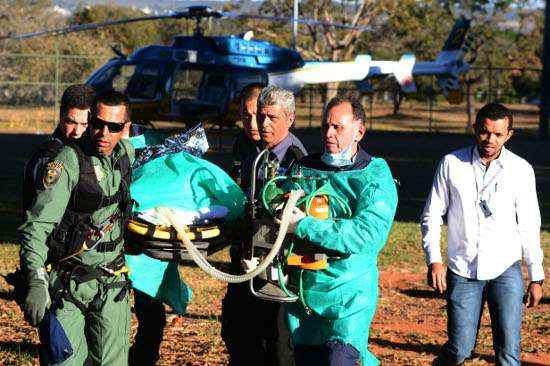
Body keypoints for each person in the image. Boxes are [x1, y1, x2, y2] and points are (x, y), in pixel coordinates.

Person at [420, 103, 545, 366]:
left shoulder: (521, 170)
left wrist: (536, 276)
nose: (491, 139)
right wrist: (434, 259)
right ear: (475, 129)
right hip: (463, 269)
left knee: (509, 353)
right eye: (485, 132)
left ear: (509, 135)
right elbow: (432, 214)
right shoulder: (452, 163)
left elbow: (530, 225)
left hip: (505, 269)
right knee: (459, 350)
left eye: (498, 134)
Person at [19, 90, 135, 365]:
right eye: (98, 124)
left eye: (115, 127)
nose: (104, 133)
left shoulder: (125, 156)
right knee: (66, 360)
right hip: (68, 286)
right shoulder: (67, 161)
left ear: (125, 129)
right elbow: (36, 226)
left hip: (112, 284)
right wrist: (36, 280)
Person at [282, 96, 398, 366]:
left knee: (340, 357)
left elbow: (367, 233)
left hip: (349, 293)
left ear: (359, 132)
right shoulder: (304, 170)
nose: (329, 134)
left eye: (338, 127)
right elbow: (277, 208)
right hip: (305, 292)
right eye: (325, 127)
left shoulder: (374, 175)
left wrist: (304, 225)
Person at [221, 85, 306, 366]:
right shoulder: (253, 155)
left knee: (278, 346)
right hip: (246, 264)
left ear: (289, 119)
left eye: (272, 117)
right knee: (237, 336)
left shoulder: (297, 160)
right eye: (261, 116)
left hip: (278, 270)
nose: (263, 123)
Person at [22, 84, 96, 215]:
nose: (77, 131)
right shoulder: (49, 158)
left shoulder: (95, 149)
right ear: (61, 116)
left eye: (85, 124)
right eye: (71, 122)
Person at [231, 83, 265, 184]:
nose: (252, 125)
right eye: (246, 116)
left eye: (259, 115)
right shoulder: (241, 142)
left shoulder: (287, 148)